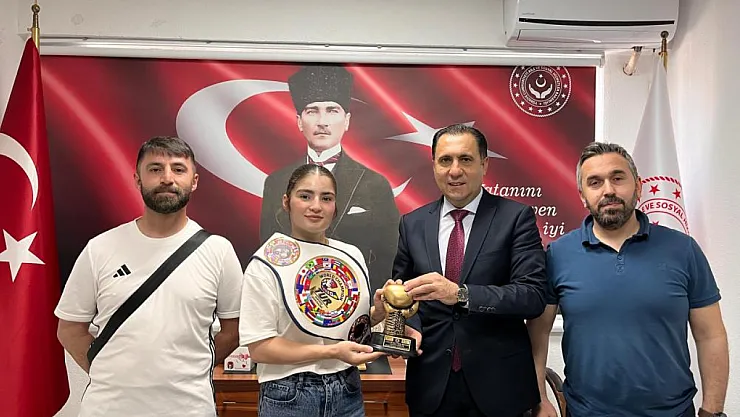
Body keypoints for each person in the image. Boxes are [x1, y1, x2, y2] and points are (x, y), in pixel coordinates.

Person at [528, 142, 729, 417]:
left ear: (638, 186)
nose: (608, 190)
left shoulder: (683, 250)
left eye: (618, 178)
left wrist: (713, 410)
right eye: (595, 182)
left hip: (674, 412)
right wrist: (540, 398)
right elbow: (537, 334)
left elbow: (711, 335)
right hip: (587, 413)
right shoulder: (558, 254)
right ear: (582, 196)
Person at [55, 136, 243, 417]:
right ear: (137, 179)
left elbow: (235, 329)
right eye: (155, 169)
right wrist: (111, 373)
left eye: (178, 169)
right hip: (108, 409)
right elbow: (70, 329)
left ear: (194, 181)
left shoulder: (218, 251)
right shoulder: (100, 248)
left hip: (189, 409)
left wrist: (189, 371)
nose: (167, 178)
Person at [393, 124, 547, 417]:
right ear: (434, 165)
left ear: (484, 164)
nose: (455, 171)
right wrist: (408, 326)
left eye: (465, 159)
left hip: (500, 387)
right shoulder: (412, 224)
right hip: (431, 386)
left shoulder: (516, 218)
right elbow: (404, 296)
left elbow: (532, 296)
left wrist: (461, 294)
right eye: (445, 160)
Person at [242, 163, 393, 417]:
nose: (316, 206)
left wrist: (376, 314)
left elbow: (341, 327)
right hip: (289, 393)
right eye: (305, 196)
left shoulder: (351, 255)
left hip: (347, 387)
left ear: (335, 206)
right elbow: (260, 348)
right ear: (286, 202)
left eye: (326, 198)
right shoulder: (266, 263)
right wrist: (331, 352)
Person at [260, 64, 400, 292]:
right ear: (299, 121)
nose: (322, 121)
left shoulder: (375, 184)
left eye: (332, 110)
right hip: (289, 295)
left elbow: (389, 257)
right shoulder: (276, 182)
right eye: (312, 111)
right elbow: (269, 251)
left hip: (356, 297)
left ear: (347, 120)